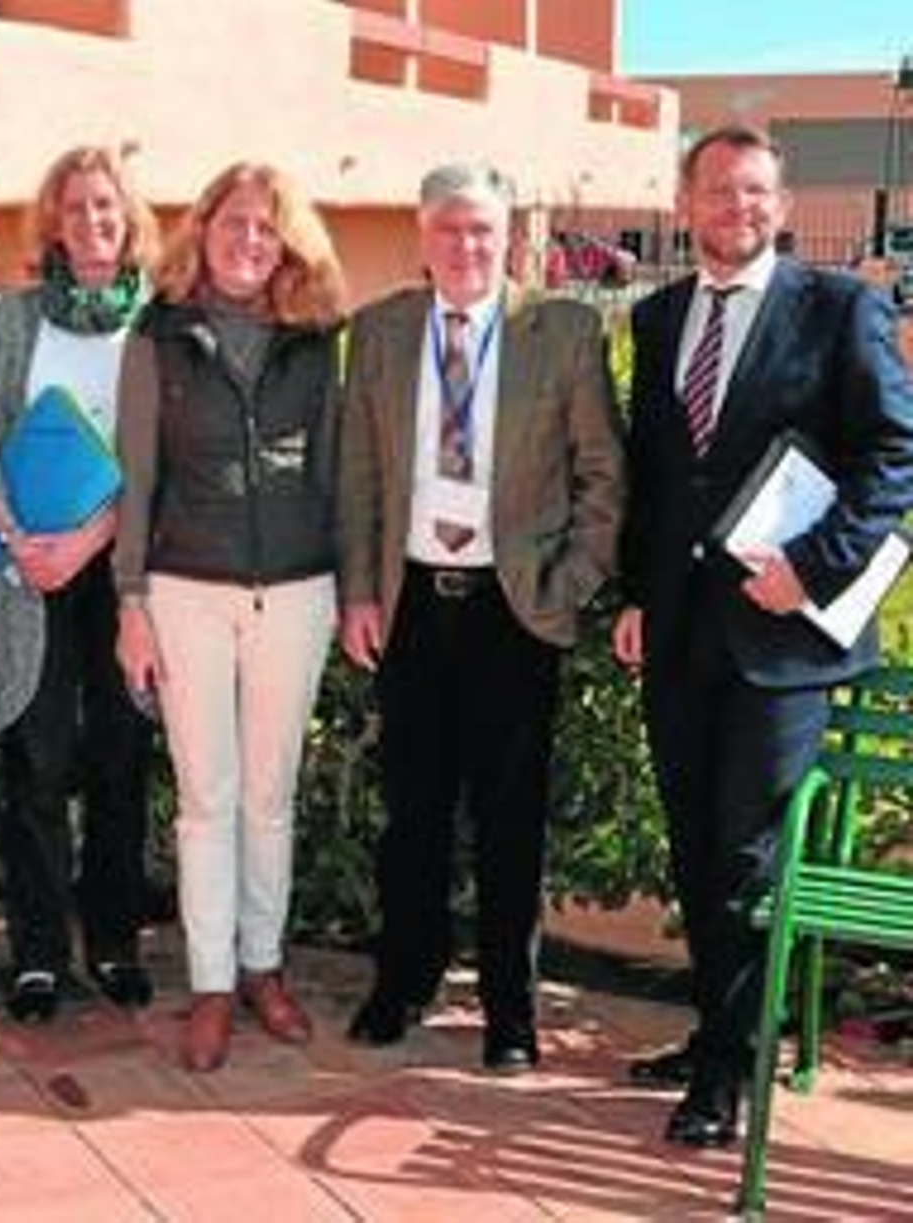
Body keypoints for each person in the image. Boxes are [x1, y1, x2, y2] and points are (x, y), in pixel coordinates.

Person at [612, 125, 913, 1147]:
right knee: (696, 844)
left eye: (754, 192)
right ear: (683, 203)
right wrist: (635, 595)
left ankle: (727, 1072)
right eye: (717, 189)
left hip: (784, 644)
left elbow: (894, 454)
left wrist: (814, 567)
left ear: (780, 207)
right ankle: (720, 1027)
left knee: (745, 852)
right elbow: (658, 476)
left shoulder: (839, 308)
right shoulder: (658, 316)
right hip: (680, 635)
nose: (735, 207)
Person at [338, 161, 625, 1074]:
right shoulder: (380, 331)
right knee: (411, 813)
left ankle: (510, 1008)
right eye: (450, 229)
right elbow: (358, 475)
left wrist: (565, 585)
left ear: (512, 239)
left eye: (483, 230)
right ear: (423, 237)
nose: (467, 246)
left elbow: (603, 475)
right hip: (413, 600)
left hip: (515, 609)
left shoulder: (562, 330)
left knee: (511, 818)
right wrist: (359, 592)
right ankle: (403, 979)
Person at [113, 162, 345, 1072]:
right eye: (234, 222)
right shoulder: (158, 334)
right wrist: (131, 602)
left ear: (287, 244)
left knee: (269, 793)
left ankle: (262, 966)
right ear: (203, 231)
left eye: (267, 227)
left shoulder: (316, 340)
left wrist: (352, 588)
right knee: (206, 796)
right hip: (186, 589)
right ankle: (211, 981)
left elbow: (335, 474)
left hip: (296, 589)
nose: (250, 240)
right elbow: (137, 476)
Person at [0, 145, 158, 1024]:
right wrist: (12, 532)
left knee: (120, 755)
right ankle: (37, 953)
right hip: (25, 568)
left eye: (105, 206)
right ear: (54, 225)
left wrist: (88, 540)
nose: (92, 222)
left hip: (127, 572)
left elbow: (168, 455)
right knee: (35, 762)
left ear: (129, 217)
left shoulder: (160, 321)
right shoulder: (16, 318)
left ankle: (113, 942)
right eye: (74, 208)